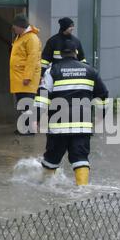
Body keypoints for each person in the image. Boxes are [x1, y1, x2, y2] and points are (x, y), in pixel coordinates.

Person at [34, 40, 109, 186]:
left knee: (51, 160)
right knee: (80, 158)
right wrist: (100, 118)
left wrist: (35, 118)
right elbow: (103, 95)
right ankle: (82, 192)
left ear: (60, 54)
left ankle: (45, 188)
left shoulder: (52, 71)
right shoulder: (91, 71)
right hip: (82, 126)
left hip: (58, 126)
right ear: (76, 53)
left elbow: (42, 98)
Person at [10, 14, 42, 135]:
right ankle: (24, 127)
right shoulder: (21, 36)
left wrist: (27, 76)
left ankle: (28, 129)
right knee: (23, 104)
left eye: (15, 27)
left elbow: (32, 59)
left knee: (26, 103)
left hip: (25, 77)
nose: (14, 29)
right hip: (20, 76)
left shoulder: (31, 38)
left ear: (20, 26)